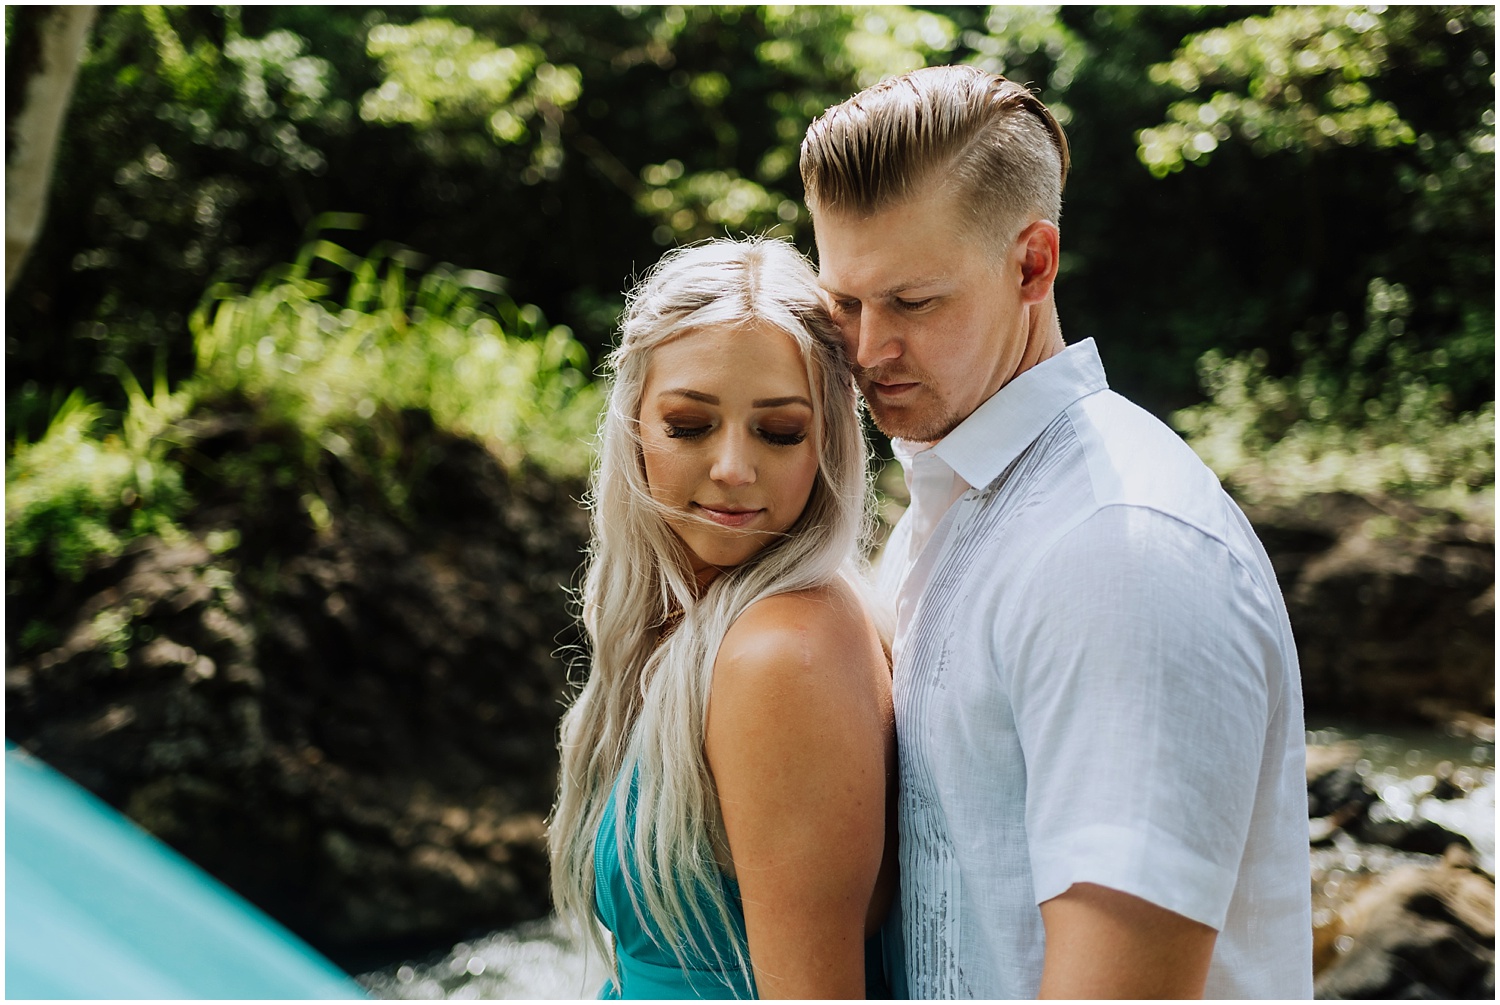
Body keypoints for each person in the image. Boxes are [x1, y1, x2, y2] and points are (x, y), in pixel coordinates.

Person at [800, 65, 1314, 999]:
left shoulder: (1118, 549)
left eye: (912, 303)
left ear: (1033, 264)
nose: (868, 349)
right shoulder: (938, 513)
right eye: (844, 303)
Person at [548, 238, 899, 999]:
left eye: (779, 432)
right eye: (689, 424)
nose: (735, 467)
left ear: (828, 442)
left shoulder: (782, 653)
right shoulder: (702, 622)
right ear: (634, 422)